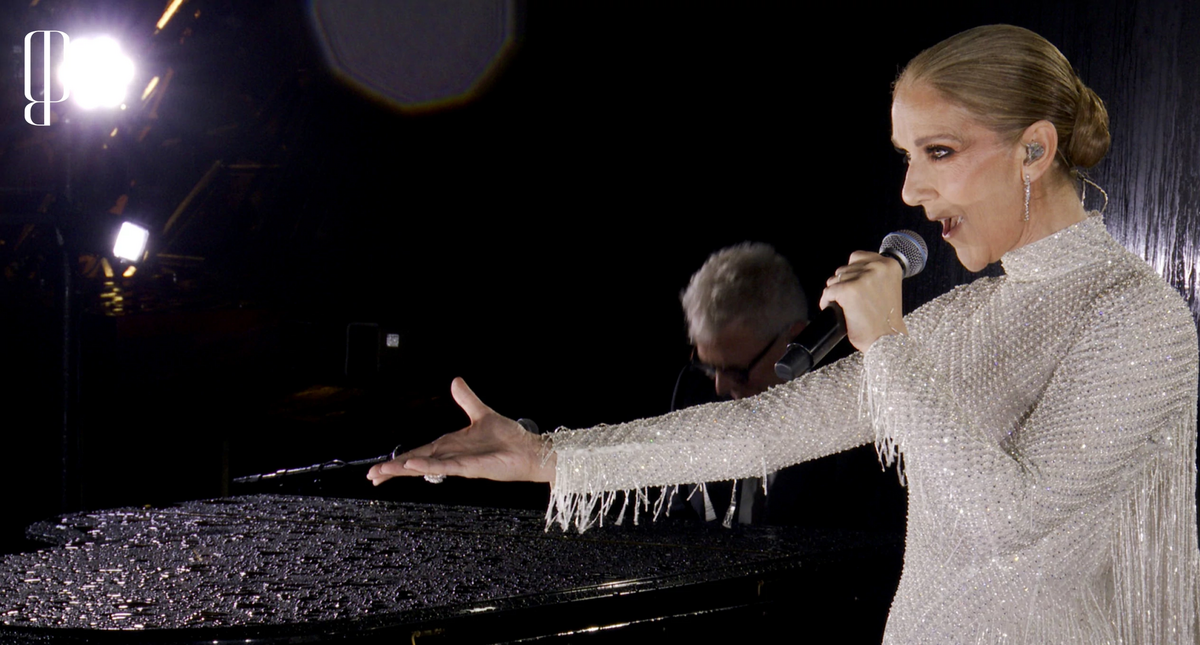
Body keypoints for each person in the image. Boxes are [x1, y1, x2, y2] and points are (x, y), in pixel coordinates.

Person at [369, 25, 1199, 643]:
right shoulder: (966, 317)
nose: (910, 190)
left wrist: (887, 345)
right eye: (906, 155)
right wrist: (547, 456)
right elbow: (766, 426)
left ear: (1034, 149)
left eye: (939, 151)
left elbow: (1010, 518)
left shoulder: (1136, 315)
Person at [673, 242, 808, 525]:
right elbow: (678, 515)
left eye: (737, 371)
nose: (719, 387)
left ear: (794, 340)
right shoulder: (692, 389)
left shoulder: (855, 422)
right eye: (710, 367)